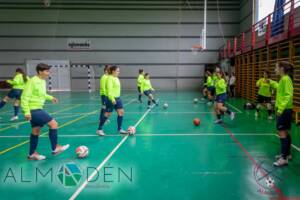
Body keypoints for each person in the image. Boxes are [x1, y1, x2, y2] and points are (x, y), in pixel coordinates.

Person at [21, 63, 69, 160]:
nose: (48, 73)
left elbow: (42, 94)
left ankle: (32, 154)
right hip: (34, 110)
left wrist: (51, 97)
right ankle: (55, 147)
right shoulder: (32, 81)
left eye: (48, 71)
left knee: (35, 131)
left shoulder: (42, 81)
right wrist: (26, 112)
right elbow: (24, 97)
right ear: (40, 71)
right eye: (46, 71)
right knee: (54, 124)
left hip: (37, 108)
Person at [273, 61, 294, 167]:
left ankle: (284, 158)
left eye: (276, 67)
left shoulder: (286, 79)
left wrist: (280, 109)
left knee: (281, 133)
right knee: (284, 132)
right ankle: (287, 154)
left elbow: (288, 95)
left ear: (282, 68)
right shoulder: (283, 79)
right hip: (284, 109)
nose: (275, 69)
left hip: (284, 110)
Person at [97, 66, 127, 136]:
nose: (119, 72)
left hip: (118, 98)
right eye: (117, 71)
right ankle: (99, 129)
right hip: (111, 99)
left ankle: (119, 129)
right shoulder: (109, 78)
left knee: (121, 112)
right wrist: (112, 99)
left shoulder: (116, 78)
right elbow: (109, 90)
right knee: (107, 114)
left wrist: (117, 98)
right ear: (113, 71)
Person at [97, 65, 110, 136]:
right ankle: (101, 119)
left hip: (107, 95)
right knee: (104, 107)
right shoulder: (103, 77)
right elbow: (103, 87)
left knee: (104, 107)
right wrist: (105, 95)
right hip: (104, 95)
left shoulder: (108, 77)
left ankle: (103, 119)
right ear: (106, 71)